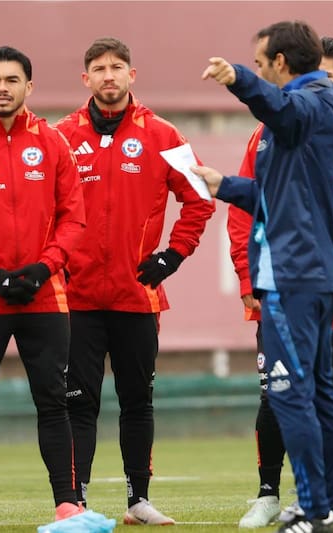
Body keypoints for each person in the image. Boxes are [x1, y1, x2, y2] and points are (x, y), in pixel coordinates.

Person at [0, 45, 109, 533]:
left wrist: (43, 268)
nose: (2, 87)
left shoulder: (53, 143)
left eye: (12, 80)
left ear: (29, 86)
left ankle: (67, 506)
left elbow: (75, 217)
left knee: (54, 401)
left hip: (45, 295)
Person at [191, 21, 333, 533]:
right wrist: (226, 187)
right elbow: (282, 195)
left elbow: (279, 106)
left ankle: (313, 509)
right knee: (321, 394)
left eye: (263, 63)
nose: (261, 71)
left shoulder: (304, 107)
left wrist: (235, 77)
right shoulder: (320, 117)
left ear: (282, 64)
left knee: (290, 393)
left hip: (293, 273)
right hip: (315, 272)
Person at [234, 37, 333, 531]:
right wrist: (246, 272)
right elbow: (253, 208)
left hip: (313, 287)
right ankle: (286, 497)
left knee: (306, 396)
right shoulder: (268, 135)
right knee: (283, 396)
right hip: (296, 283)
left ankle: (316, 505)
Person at [54, 36, 213, 525]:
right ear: (85, 78)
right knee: (78, 404)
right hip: (76, 297)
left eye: (117, 66)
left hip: (137, 295)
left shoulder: (163, 134)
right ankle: (74, 503)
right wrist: (53, 260)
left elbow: (201, 197)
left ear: (132, 75)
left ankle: (137, 500)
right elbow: (41, 208)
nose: (108, 75)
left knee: (136, 401)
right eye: (99, 68)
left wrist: (175, 254)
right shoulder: (60, 136)